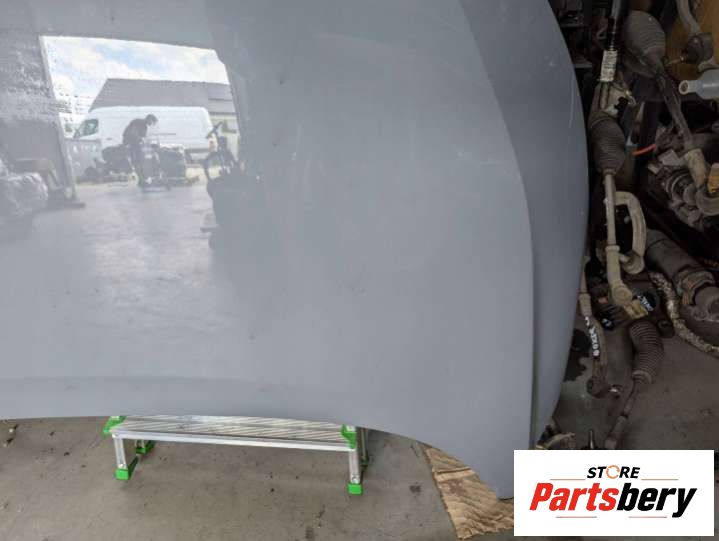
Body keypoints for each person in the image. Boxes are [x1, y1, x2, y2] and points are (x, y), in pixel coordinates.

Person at [122, 114, 157, 187]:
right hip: (131, 144)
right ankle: (142, 180)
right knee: (137, 163)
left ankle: (142, 180)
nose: (152, 124)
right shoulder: (137, 122)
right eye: (152, 122)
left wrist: (144, 141)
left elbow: (142, 137)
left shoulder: (144, 126)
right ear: (149, 119)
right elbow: (133, 133)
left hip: (135, 145)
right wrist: (140, 140)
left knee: (139, 162)